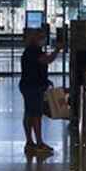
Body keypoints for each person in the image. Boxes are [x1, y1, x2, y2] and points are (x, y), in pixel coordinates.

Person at [19, 26, 60, 158]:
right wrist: (57, 50)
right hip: (33, 87)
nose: (44, 39)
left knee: (29, 112)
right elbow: (46, 60)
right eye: (42, 37)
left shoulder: (30, 50)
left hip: (28, 85)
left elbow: (35, 68)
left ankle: (30, 142)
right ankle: (39, 143)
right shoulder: (33, 51)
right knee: (36, 114)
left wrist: (45, 80)